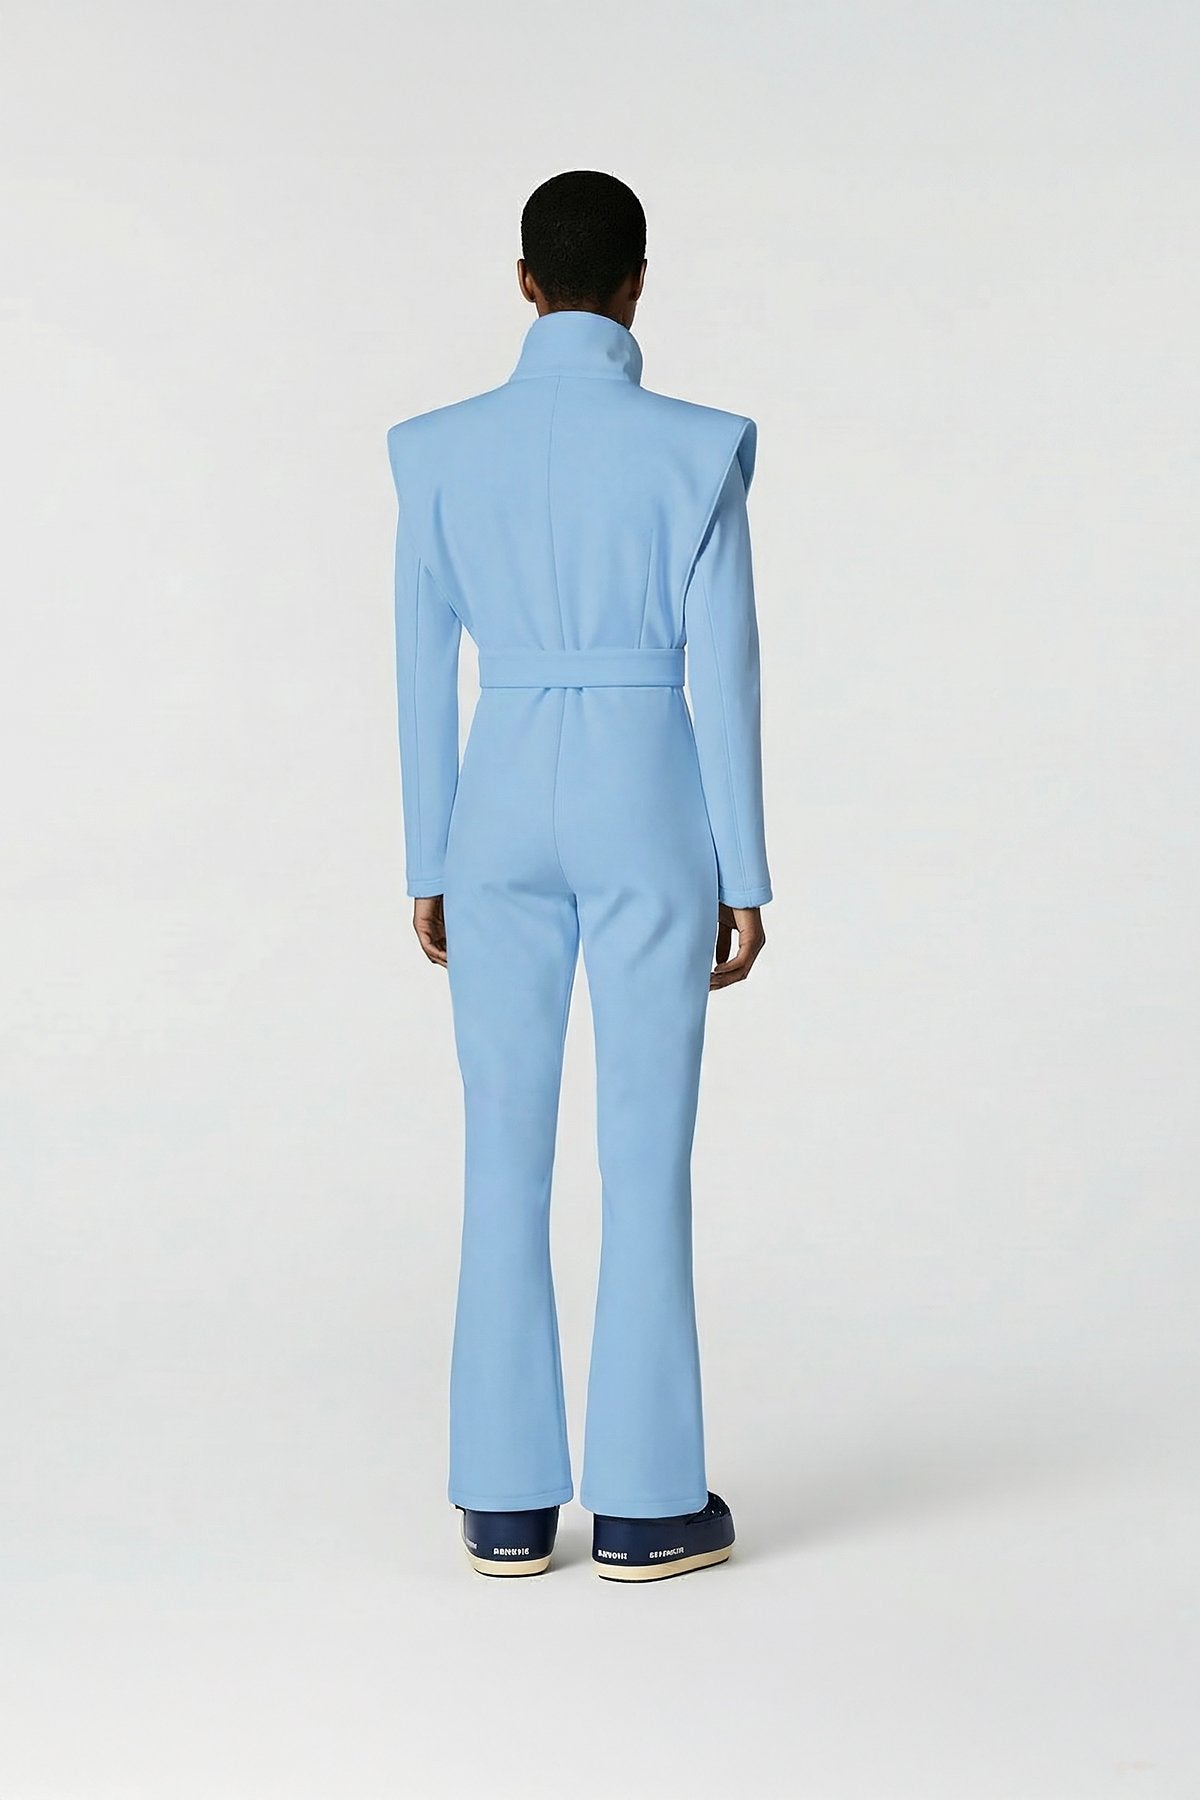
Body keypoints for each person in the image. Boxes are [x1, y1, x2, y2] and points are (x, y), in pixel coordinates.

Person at [385, 169, 772, 1582]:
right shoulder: (699, 450)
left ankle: (501, 1500)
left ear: (524, 282)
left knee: (501, 1147)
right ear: (638, 284)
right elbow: (725, 669)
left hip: (495, 798)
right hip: (646, 794)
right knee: (644, 1147)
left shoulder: (434, 451)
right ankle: (649, 1503)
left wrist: (428, 850)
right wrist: (744, 865)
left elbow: (419, 667)